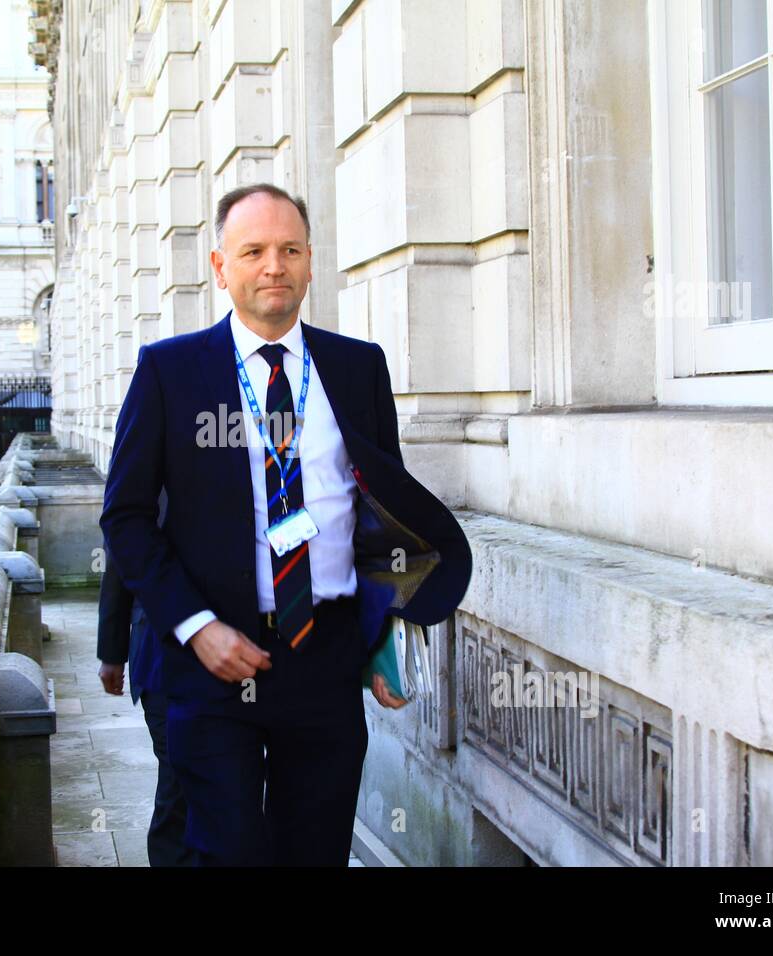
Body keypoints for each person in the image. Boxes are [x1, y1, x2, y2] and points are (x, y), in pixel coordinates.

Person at [99, 183, 472, 866]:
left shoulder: (359, 369)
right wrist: (195, 627)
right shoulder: (169, 373)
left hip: (323, 660)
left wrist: (382, 640)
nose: (275, 265)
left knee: (316, 853)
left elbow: (381, 520)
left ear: (308, 263)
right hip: (212, 664)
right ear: (221, 267)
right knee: (230, 852)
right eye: (254, 251)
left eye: (290, 249)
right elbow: (125, 519)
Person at [97, 533, 195, 867]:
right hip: (161, 658)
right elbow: (119, 565)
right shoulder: (146, 487)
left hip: (233, 662)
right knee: (177, 776)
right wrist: (112, 653)